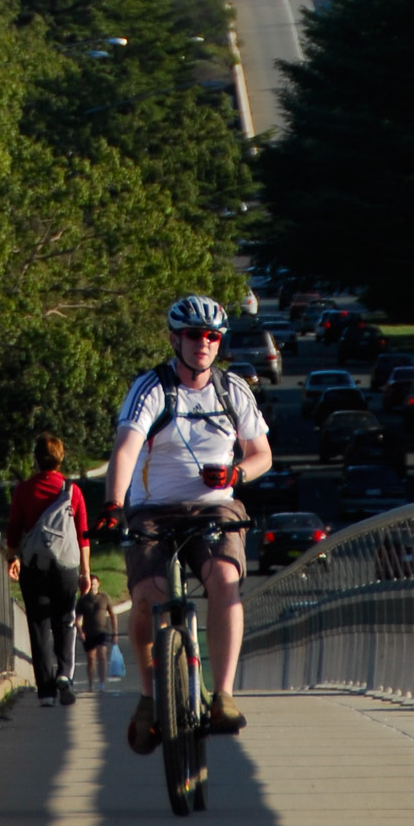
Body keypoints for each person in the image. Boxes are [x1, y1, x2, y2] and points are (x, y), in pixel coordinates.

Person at [99, 293, 271, 754]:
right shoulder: (150, 388)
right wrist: (116, 506)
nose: (204, 343)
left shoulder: (233, 390)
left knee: (224, 580)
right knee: (148, 596)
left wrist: (237, 474)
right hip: (153, 508)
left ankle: (224, 695)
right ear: (176, 339)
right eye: (195, 335)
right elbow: (126, 450)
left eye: (213, 336)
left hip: (215, 506)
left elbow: (261, 456)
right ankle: (150, 697)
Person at [4, 432, 91, 707]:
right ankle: (65, 674)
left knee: (39, 625)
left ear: (36, 459)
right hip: (66, 565)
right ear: (60, 457)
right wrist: (85, 572)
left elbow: (14, 529)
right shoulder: (72, 491)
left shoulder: (24, 490)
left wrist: (12, 558)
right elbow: (83, 534)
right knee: (65, 621)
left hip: (34, 565)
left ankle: (46, 692)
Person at [76, 573, 118, 692]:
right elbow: (77, 619)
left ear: (98, 584)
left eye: (95, 584)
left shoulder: (104, 598)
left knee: (102, 655)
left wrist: (115, 632)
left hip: (102, 631)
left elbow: (113, 615)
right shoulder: (82, 600)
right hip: (88, 632)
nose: (93, 586)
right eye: (91, 584)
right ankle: (90, 684)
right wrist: (80, 632)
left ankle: (101, 683)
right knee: (91, 658)